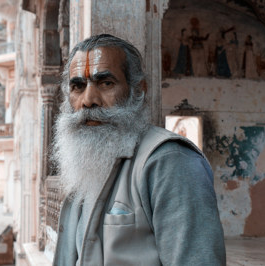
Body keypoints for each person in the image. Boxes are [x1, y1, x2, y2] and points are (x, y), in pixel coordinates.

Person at [52, 34, 226, 265]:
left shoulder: (169, 160)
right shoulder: (84, 165)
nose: (88, 100)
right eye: (78, 86)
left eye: (106, 83)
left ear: (138, 90)